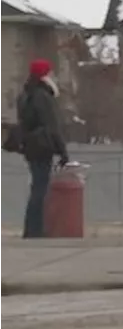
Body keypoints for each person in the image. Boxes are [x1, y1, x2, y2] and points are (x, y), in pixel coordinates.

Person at [16, 59, 69, 239]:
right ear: (44, 75)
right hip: (43, 146)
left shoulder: (25, 94)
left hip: (30, 147)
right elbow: (52, 126)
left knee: (36, 186)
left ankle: (31, 228)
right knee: (40, 188)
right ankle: (35, 229)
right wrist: (63, 151)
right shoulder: (44, 96)